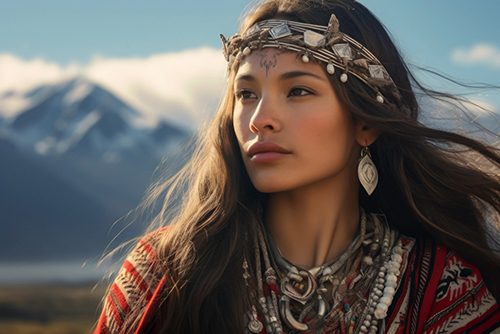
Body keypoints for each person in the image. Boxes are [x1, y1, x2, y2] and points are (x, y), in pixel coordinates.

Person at [95, 0, 500, 333]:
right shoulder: (164, 274)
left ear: (366, 124)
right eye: (246, 93)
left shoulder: (444, 289)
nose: (260, 118)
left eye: (299, 90)